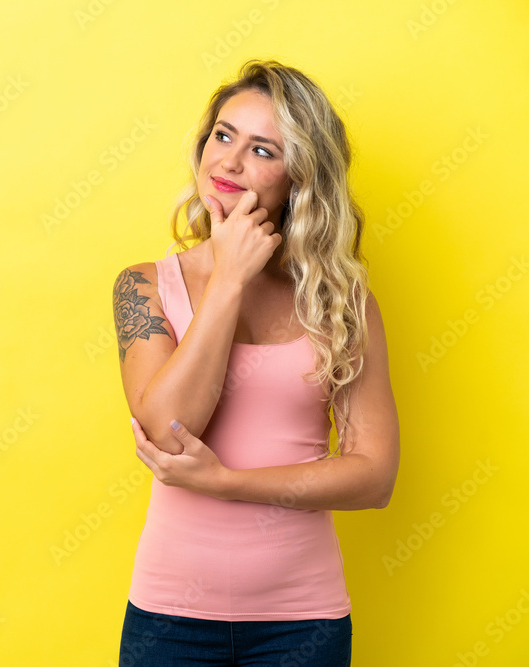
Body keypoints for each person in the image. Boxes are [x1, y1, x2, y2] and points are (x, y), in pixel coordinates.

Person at [112, 59, 400, 666]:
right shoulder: (143, 286)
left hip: (303, 623)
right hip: (169, 621)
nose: (230, 162)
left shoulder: (342, 302)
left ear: (300, 178)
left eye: (262, 149)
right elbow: (168, 432)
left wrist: (225, 483)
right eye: (223, 135)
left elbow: (374, 478)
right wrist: (228, 279)